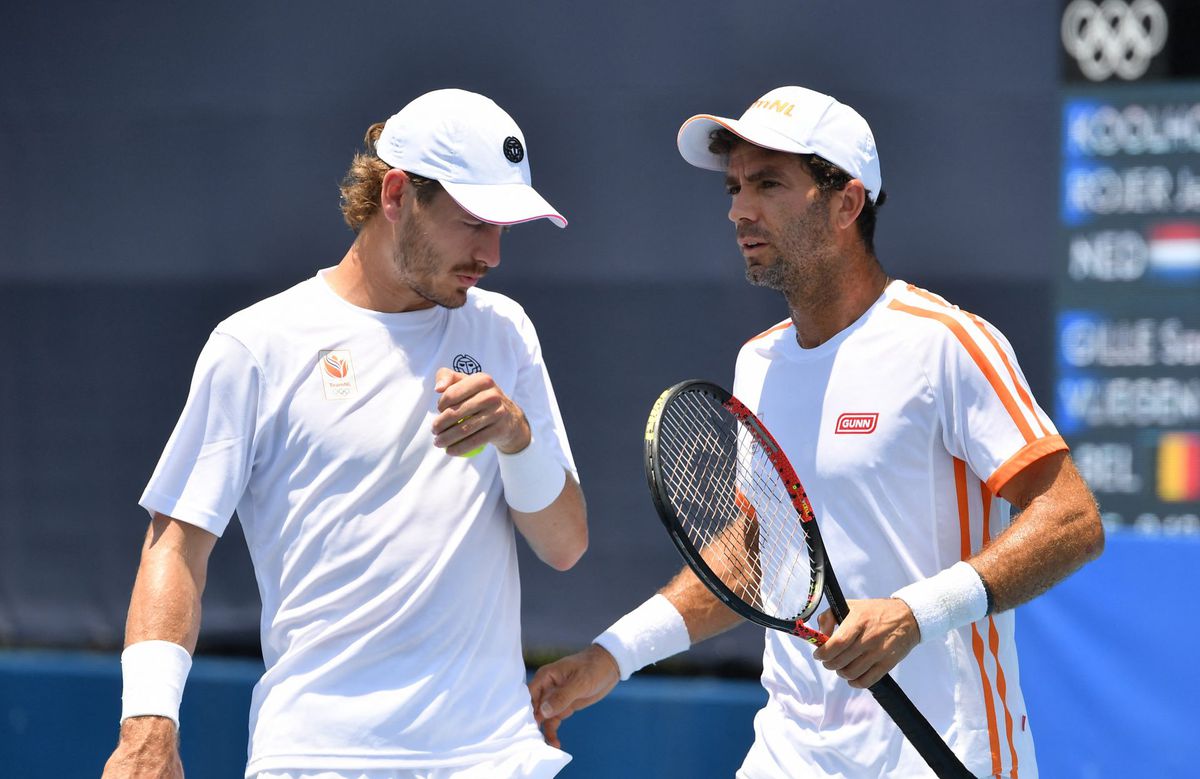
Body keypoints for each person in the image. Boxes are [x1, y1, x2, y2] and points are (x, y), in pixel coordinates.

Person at [529, 85, 1103, 778]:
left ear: (846, 203)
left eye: (770, 183)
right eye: (736, 186)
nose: (740, 209)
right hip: (790, 752)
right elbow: (751, 555)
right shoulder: (759, 361)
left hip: (944, 747)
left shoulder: (946, 344)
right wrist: (612, 655)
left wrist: (915, 612)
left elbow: (1071, 516)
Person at [102, 88, 588, 779]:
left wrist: (517, 438)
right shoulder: (256, 344)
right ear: (396, 196)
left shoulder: (505, 331)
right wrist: (148, 727)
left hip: (494, 755)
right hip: (317, 757)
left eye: (504, 228)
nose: (493, 253)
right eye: (475, 222)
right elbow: (176, 544)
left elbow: (565, 544)